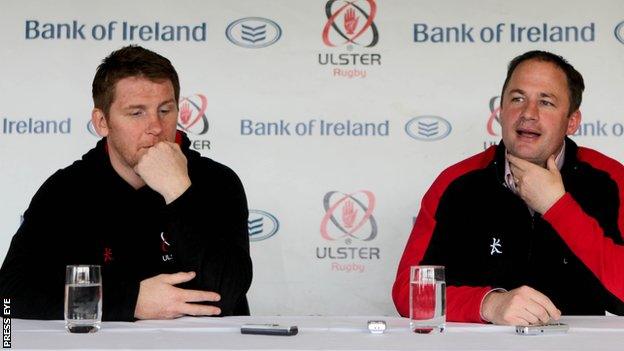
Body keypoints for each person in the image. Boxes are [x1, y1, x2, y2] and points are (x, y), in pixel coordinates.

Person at [0, 45, 252, 321]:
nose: (156, 126)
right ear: (102, 121)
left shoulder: (217, 182)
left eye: (165, 110)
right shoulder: (66, 191)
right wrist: (130, 301)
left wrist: (178, 191)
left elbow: (229, 293)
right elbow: (9, 297)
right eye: (137, 113)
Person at [392, 50, 624, 325]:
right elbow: (409, 292)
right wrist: (489, 304)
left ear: (571, 121)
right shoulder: (456, 183)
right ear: (501, 111)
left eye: (546, 102)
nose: (528, 113)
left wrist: (557, 207)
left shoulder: (611, 180)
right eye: (517, 99)